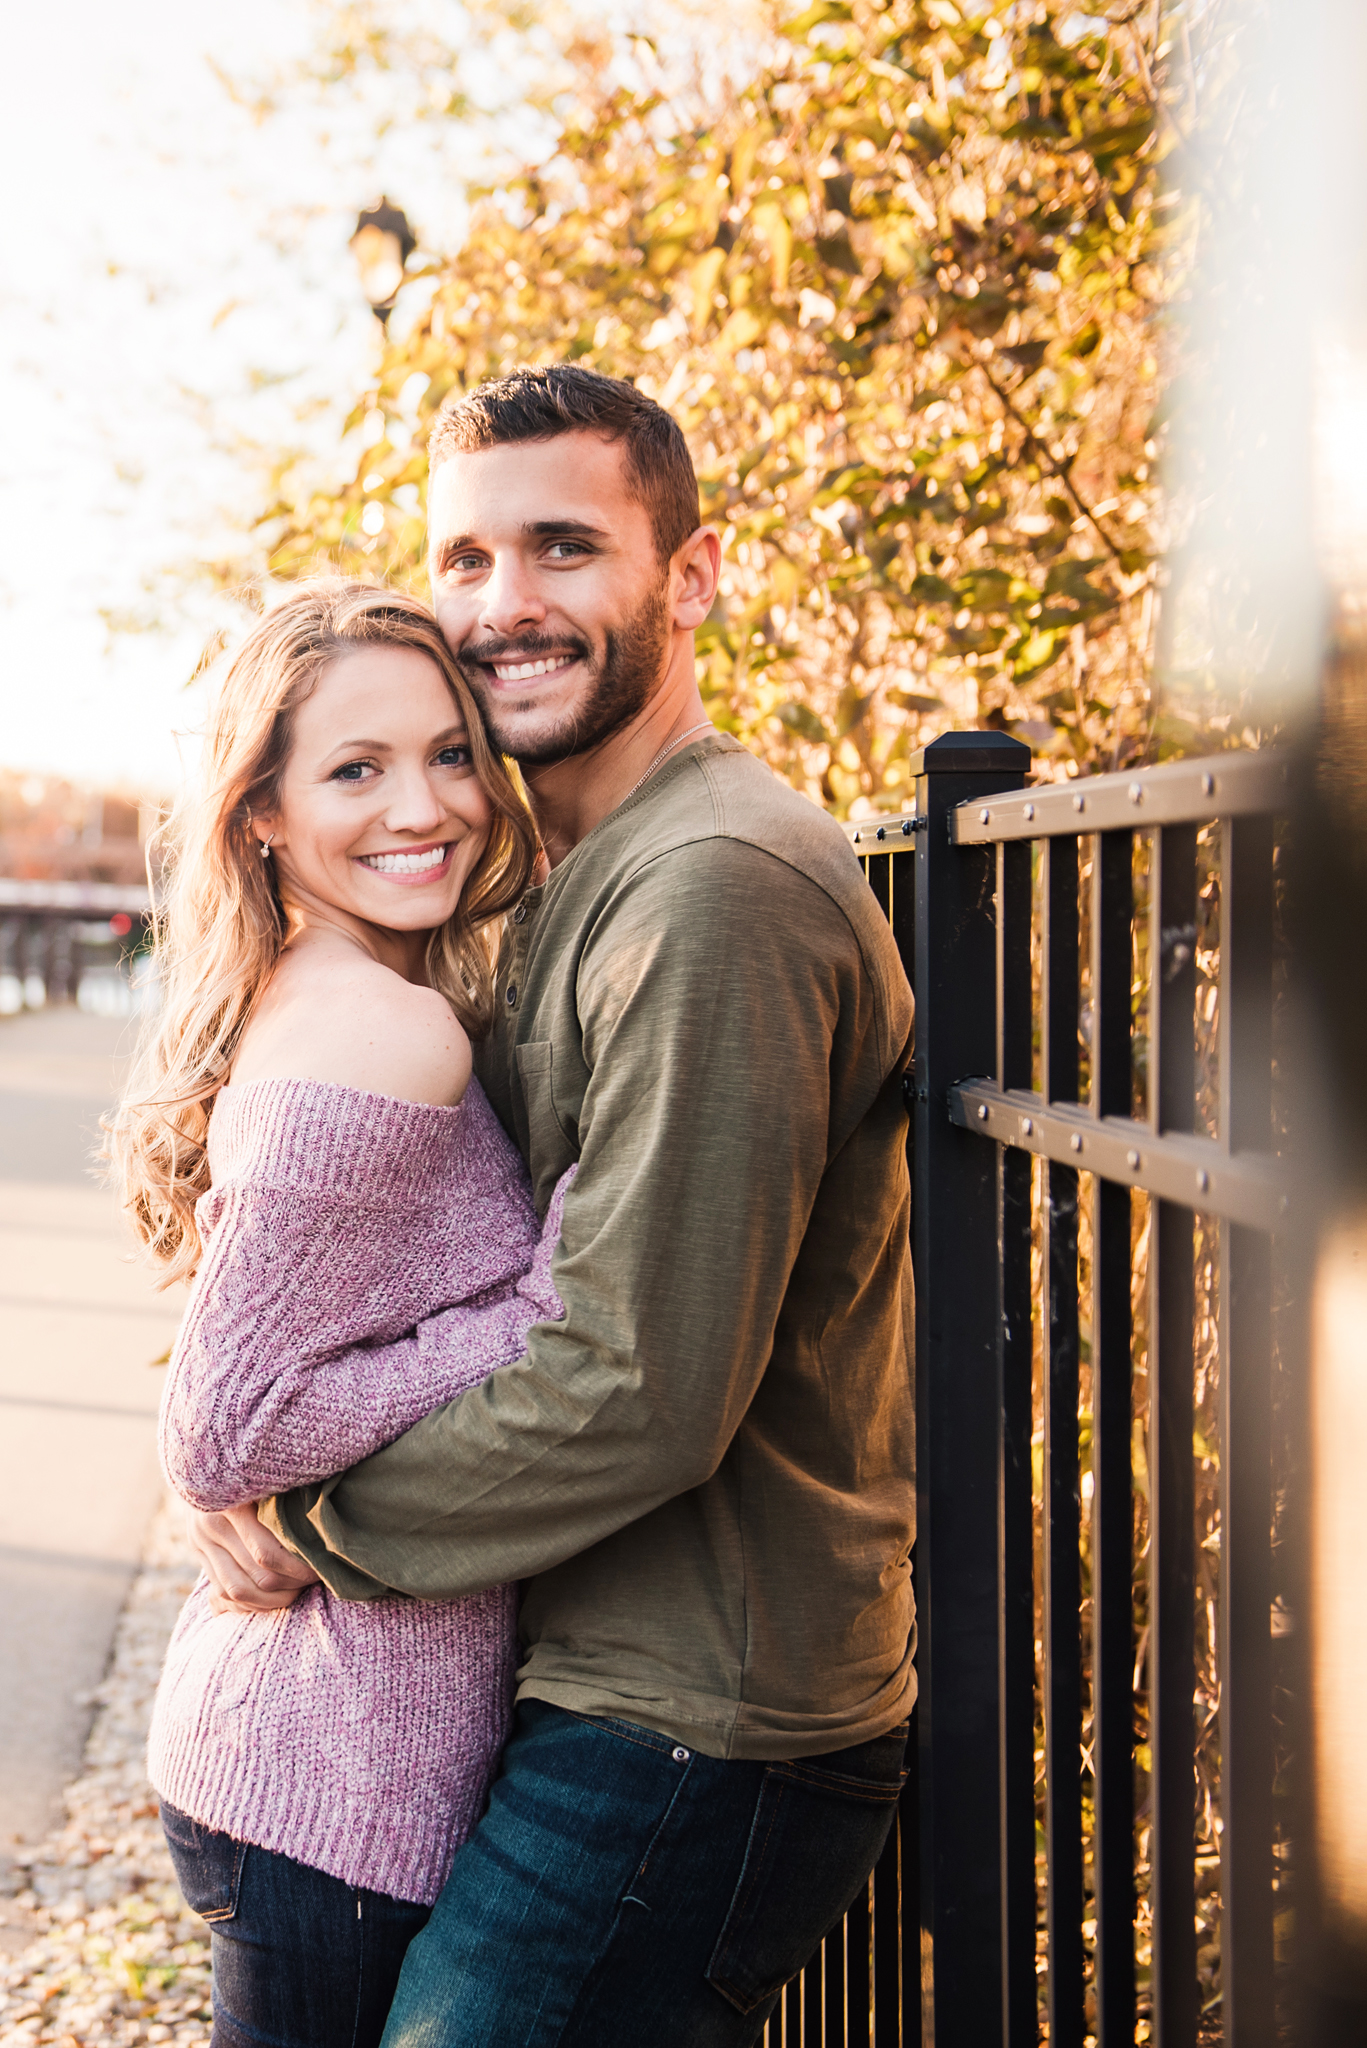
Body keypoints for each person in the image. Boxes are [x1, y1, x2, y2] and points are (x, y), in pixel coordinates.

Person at [192, 364, 918, 2048]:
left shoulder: (712, 888)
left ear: (693, 575)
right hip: (588, 1671)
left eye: (566, 547)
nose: (505, 606)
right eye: (466, 559)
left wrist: (308, 1527)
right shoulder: (569, 883)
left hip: (699, 1713)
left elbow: (633, 1382)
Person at [107, 580, 575, 2048]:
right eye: (354, 770)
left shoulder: (345, 987)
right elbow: (225, 1428)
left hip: (301, 1763)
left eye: (449, 754)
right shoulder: (383, 1027)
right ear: (263, 812)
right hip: (335, 1794)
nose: (422, 806)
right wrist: (535, 1312)